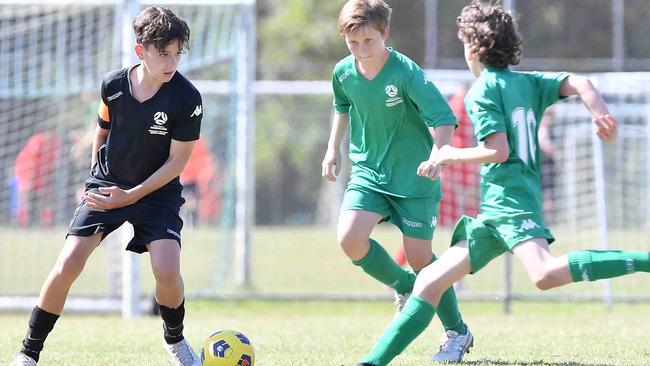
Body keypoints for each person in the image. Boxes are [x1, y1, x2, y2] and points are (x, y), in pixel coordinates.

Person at [356, 2, 648, 365]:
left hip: (512, 205)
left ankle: (646, 261)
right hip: (495, 211)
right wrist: (600, 112)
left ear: (473, 49)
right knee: (430, 281)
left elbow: (497, 150)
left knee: (544, 274)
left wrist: (446, 154)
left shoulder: (483, 90)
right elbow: (581, 82)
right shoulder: (528, 81)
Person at [10, 6, 203, 366]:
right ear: (140, 50)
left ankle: (175, 340)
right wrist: (94, 178)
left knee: (166, 267)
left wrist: (131, 196)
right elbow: (101, 130)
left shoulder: (187, 98)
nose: (171, 62)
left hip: (156, 193)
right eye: (163, 53)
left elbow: (178, 162)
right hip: (108, 184)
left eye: (177, 53)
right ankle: (28, 352)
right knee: (69, 261)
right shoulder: (113, 86)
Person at [322, 1, 472, 362]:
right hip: (369, 174)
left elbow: (444, 119)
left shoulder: (405, 72)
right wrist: (332, 150)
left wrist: (437, 155)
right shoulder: (343, 72)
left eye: (368, 42)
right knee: (350, 239)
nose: (360, 50)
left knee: (423, 261)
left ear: (385, 33)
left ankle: (457, 332)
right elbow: (342, 108)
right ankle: (405, 287)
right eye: (352, 43)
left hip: (414, 178)